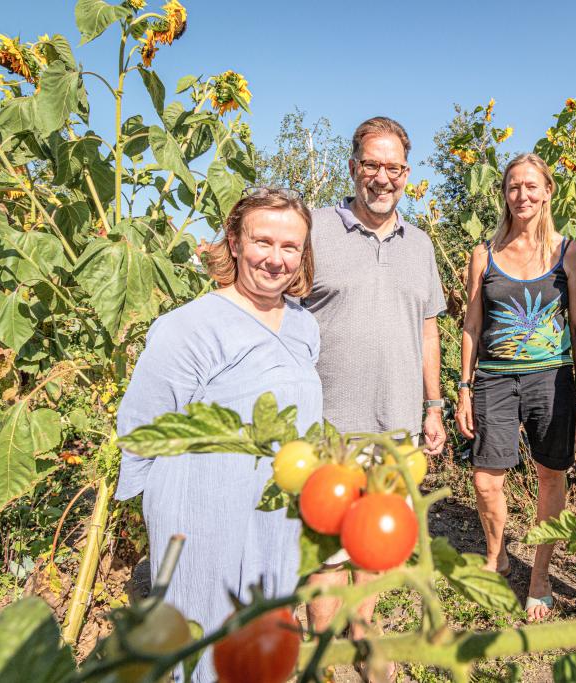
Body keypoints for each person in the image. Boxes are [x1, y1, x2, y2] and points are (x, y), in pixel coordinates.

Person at [116, 188, 321, 681]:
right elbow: (144, 424)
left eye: (290, 247)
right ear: (234, 242)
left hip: (277, 513)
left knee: (264, 633)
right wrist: (167, 517)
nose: (276, 260)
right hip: (206, 516)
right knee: (207, 635)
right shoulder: (188, 328)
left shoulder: (304, 324)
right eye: (262, 242)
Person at [300, 117, 447, 658]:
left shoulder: (421, 244)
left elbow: (428, 326)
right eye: (371, 165)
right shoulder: (314, 230)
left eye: (393, 167)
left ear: (406, 173)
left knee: (374, 547)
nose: (382, 177)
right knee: (325, 553)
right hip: (326, 427)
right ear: (353, 167)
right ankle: (319, 654)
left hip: (399, 429)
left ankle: (363, 642)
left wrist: (433, 406)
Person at [455, 153, 576, 621]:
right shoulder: (484, 255)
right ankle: (497, 556)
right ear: (505, 194)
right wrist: (463, 388)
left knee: (550, 475)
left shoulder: (567, 252)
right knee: (486, 478)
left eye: (532, 186)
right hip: (493, 377)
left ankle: (540, 574)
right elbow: (472, 325)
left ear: (548, 191)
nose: (523, 195)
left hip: (551, 378)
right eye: (514, 187)